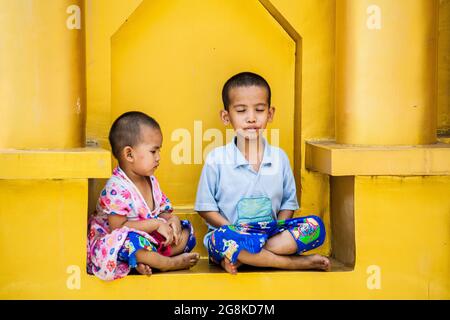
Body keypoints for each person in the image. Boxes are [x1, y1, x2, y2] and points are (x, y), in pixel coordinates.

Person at [195, 72, 330, 274]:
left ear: (270, 114)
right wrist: (236, 231)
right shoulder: (217, 159)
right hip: (231, 233)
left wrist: (278, 228)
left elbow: (287, 204)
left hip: (269, 234)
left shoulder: (279, 158)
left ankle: (249, 257)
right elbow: (206, 209)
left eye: (259, 110)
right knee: (223, 240)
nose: (251, 118)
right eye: (241, 111)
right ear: (226, 117)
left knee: (314, 226)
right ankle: (292, 263)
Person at [87, 111, 199, 281]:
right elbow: (118, 227)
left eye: (159, 151)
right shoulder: (117, 188)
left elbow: (164, 211)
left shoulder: (151, 180)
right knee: (132, 244)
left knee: (187, 233)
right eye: (153, 152)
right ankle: (168, 263)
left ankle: (147, 261)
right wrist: (155, 224)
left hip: (150, 241)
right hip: (120, 240)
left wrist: (172, 222)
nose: (159, 158)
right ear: (129, 154)